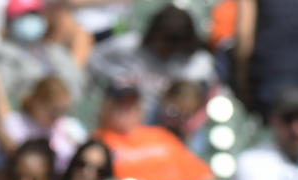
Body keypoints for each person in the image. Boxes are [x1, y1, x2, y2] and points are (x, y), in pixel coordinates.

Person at [88, 4, 217, 123]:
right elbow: (93, 59)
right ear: (153, 33)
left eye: (171, 44)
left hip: (166, 128)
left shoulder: (198, 65)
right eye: (162, 41)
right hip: (120, 116)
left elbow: (199, 102)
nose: (164, 48)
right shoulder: (129, 47)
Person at [94, 77, 213, 180]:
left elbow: (204, 176)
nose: (126, 109)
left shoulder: (161, 136)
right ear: (105, 106)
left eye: (131, 103)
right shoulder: (97, 143)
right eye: (120, 103)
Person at [1, 75, 87, 174]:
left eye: (63, 111)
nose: (57, 117)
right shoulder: (14, 123)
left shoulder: (69, 125)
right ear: (36, 103)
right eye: (53, 111)